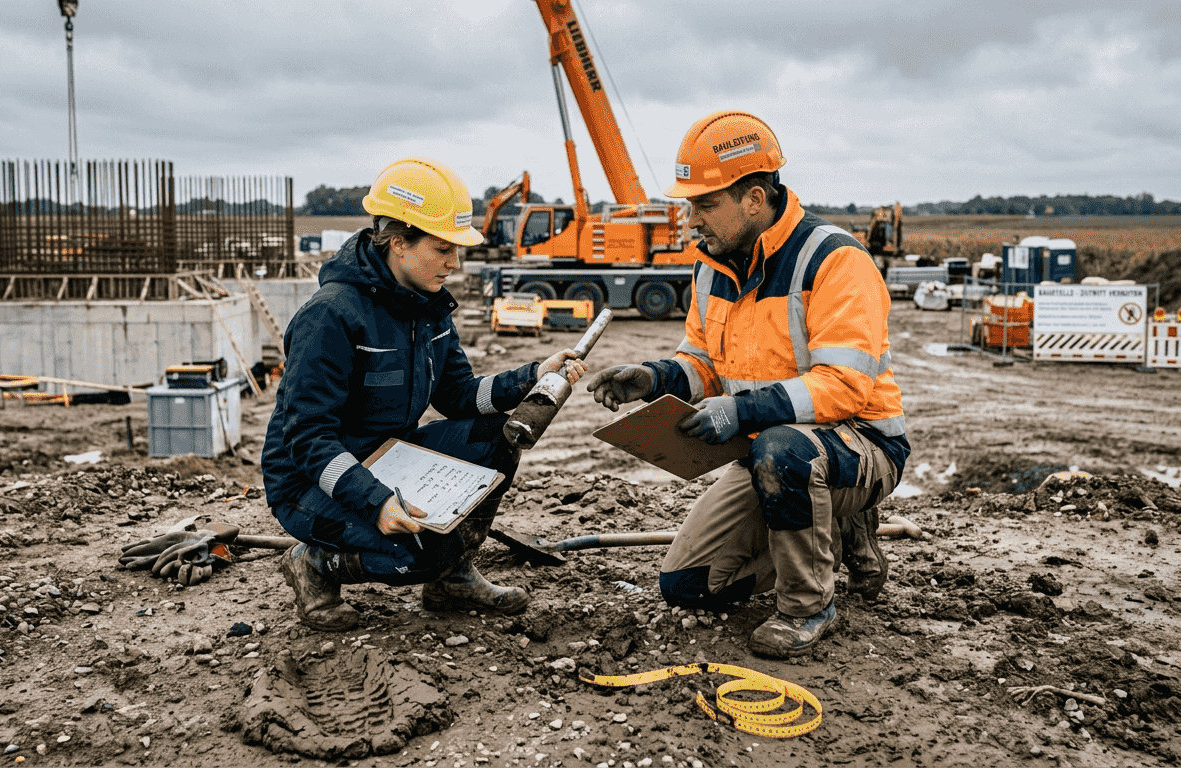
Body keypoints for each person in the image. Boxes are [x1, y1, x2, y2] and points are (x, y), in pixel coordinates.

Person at [587, 111, 909, 658]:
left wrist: (740, 414)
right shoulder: (711, 267)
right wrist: (654, 378)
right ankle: (832, 529)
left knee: (785, 452)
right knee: (689, 586)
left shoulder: (835, 262)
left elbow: (844, 387)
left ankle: (809, 605)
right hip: (770, 453)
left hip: (860, 446)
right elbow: (704, 364)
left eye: (705, 204)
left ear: (754, 198)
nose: (693, 220)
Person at [261, 157, 586, 632]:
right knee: (414, 557)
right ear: (398, 242)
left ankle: (452, 578)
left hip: (389, 456)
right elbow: (308, 438)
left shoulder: (428, 307)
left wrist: (532, 375)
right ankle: (313, 563)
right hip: (310, 484)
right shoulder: (330, 317)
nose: (455, 264)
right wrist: (375, 501)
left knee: (498, 437)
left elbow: (457, 396)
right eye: (443, 249)